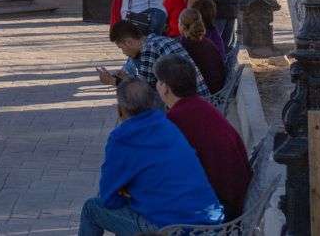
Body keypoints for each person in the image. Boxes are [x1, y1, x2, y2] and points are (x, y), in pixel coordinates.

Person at [77, 78, 225, 236]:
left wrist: (127, 196)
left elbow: (108, 197)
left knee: (92, 208)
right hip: (210, 222)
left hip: (173, 229)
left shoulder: (121, 138)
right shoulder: (167, 124)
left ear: (120, 110)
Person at [155, 55, 251, 219]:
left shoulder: (176, 119)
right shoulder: (201, 105)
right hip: (231, 199)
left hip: (217, 209)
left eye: (158, 81)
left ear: (164, 87)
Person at [97, 20, 209, 96]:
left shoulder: (148, 49)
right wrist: (126, 78)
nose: (124, 53)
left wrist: (113, 81)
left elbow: (143, 92)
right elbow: (146, 82)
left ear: (129, 42)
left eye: (121, 48)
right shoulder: (155, 40)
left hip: (190, 105)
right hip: (199, 99)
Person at [178, 8, 226, 93]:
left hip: (207, 92)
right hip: (217, 87)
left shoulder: (186, 44)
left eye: (179, 22)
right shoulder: (205, 41)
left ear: (183, 26)